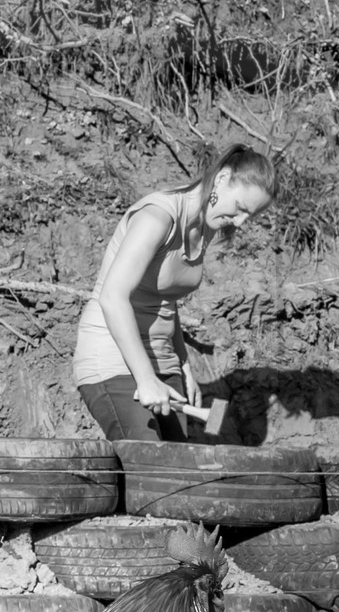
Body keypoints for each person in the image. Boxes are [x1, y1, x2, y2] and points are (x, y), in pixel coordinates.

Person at [73, 142, 277, 442]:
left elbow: (165, 299)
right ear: (221, 179)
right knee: (150, 463)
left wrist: (184, 367)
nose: (240, 222)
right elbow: (112, 297)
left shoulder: (206, 223)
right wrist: (145, 378)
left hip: (164, 363)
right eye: (240, 208)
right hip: (114, 360)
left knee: (179, 465)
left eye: (250, 216)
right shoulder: (158, 216)